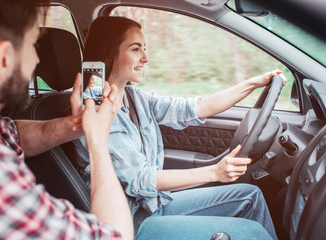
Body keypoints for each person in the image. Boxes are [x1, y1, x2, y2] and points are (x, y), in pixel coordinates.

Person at [77, 16, 287, 239]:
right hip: (131, 221)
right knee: (252, 233)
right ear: (110, 52)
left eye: (145, 48)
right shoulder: (95, 113)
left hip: (154, 203)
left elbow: (198, 107)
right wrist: (214, 172)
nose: (146, 58)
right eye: (136, 49)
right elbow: (141, 180)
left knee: (251, 196)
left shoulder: (135, 98)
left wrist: (255, 82)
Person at [0, 1, 133, 239]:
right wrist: (98, 143)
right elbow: (115, 236)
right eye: (34, 45)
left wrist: (76, 124)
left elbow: (13, 134)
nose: (36, 61)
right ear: (2, 59)